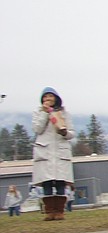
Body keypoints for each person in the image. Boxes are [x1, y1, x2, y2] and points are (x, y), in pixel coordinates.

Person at [32, 88, 74, 221]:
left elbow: (72, 133)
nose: (47, 99)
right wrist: (45, 113)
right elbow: (37, 129)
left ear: (56, 98)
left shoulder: (64, 113)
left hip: (60, 151)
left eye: (50, 96)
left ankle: (60, 211)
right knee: (47, 182)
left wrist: (65, 133)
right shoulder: (38, 113)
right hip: (45, 151)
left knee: (60, 181)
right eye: (45, 97)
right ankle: (49, 212)